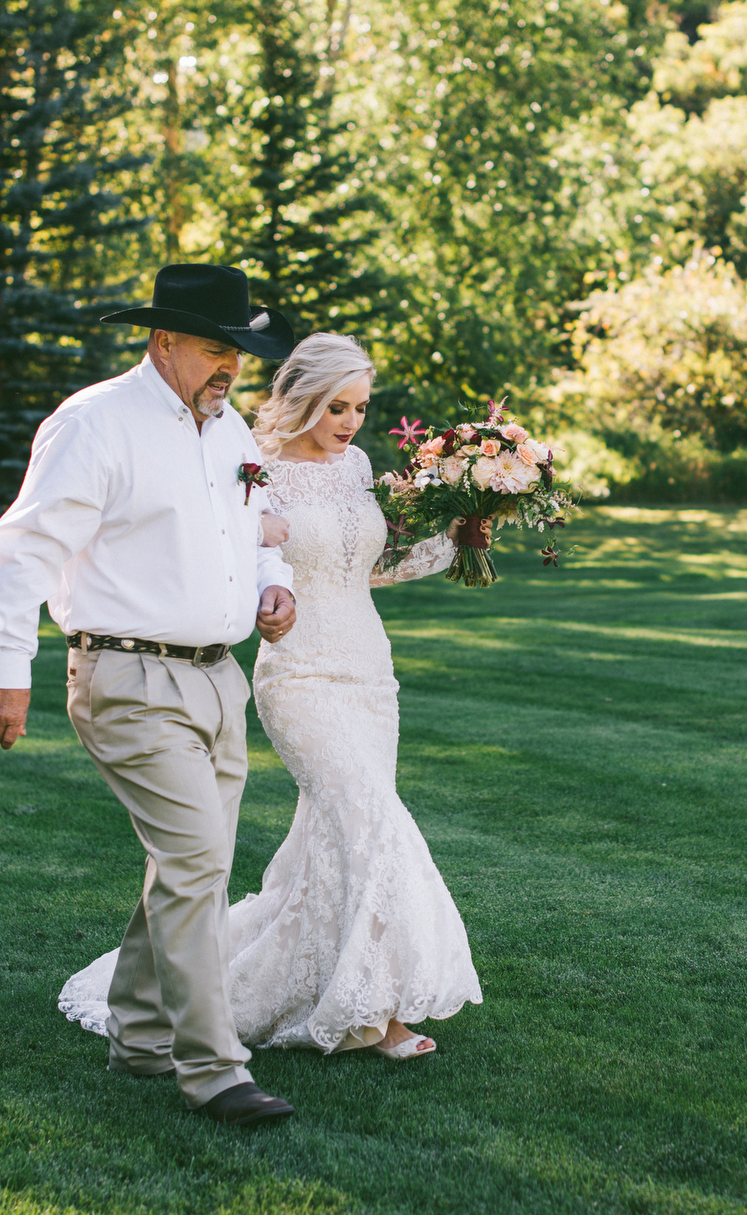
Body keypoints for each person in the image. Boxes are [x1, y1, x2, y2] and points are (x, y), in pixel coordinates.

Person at [59, 332, 483, 1061]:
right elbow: (235, 552)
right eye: (336, 406)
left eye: (359, 407)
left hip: (370, 673)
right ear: (303, 399)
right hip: (299, 676)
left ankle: (312, 984)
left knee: (334, 842)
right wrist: (265, 581)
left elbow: (366, 565)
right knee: (373, 821)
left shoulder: (357, 467)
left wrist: (454, 536)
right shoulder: (254, 469)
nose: (349, 423)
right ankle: (377, 1014)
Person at [0, 263, 301, 1127]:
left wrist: (274, 582)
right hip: (125, 675)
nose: (230, 365)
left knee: (189, 866)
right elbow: (23, 549)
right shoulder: (96, 423)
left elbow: (258, 530)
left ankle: (142, 1035)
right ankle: (214, 1067)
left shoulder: (231, 433)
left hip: (217, 678)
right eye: (212, 348)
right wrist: (8, 667)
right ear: (162, 342)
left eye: (237, 350)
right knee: (197, 863)